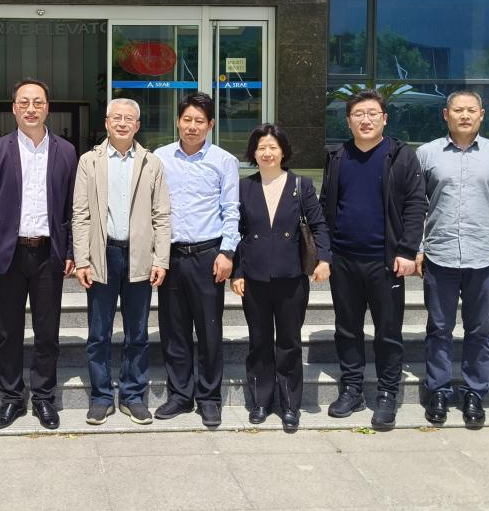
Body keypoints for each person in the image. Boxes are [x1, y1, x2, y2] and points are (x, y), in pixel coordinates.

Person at [417, 90, 489, 429]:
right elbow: (416, 207)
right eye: (458, 110)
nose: (464, 115)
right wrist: (417, 247)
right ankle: (438, 390)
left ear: (481, 115)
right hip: (440, 255)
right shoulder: (426, 154)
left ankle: (475, 392)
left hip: (485, 257)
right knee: (439, 329)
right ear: (445, 114)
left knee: (479, 330)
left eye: (471, 110)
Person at [320, 89, 426, 431]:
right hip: (344, 259)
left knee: (388, 331)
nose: (365, 120)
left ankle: (386, 393)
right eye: (358, 114)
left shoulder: (401, 156)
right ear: (348, 121)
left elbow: (416, 205)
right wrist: (325, 252)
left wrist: (407, 251)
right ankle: (352, 389)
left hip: (386, 261)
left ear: (384, 118)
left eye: (372, 114)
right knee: (347, 328)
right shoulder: (337, 155)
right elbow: (326, 205)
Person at [0, 80, 77, 430]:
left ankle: (44, 398)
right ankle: (11, 398)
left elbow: (71, 207)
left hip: (49, 253)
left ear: (47, 107)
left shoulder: (66, 151)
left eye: (37, 102)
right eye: (24, 102)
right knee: (9, 333)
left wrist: (71, 250)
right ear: (14, 108)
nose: (31, 108)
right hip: (9, 255)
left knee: (47, 332)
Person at [71, 98, 171, 426]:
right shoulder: (89, 161)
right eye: (117, 117)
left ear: (137, 125)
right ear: (107, 122)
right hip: (103, 255)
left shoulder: (151, 163)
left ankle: (132, 396)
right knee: (99, 333)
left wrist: (161, 259)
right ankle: (101, 397)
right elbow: (80, 214)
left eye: (129, 118)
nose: (123, 123)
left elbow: (161, 215)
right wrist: (82, 259)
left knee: (137, 332)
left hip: (140, 256)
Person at [230, 123, 330, 432]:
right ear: (253, 153)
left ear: (283, 151)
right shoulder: (244, 187)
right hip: (255, 278)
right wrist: (237, 272)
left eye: (273, 147)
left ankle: (289, 404)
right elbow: (236, 232)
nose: (267, 153)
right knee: (259, 341)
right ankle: (261, 400)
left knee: (289, 342)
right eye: (261, 147)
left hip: (291, 277)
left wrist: (325, 259)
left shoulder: (301, 184)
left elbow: (319, 225)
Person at [153, 93, 240, 428]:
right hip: (171, 256)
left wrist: (227, 252)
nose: (192, 126)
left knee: (209, 330)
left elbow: (231, 209)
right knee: (173, 330)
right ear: (178, 122)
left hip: (208, 255)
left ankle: (209, 398)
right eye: (187, 119)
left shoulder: (223, 161)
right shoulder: (160, 158)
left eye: (199, 121)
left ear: (210, 125)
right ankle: (179, 395)